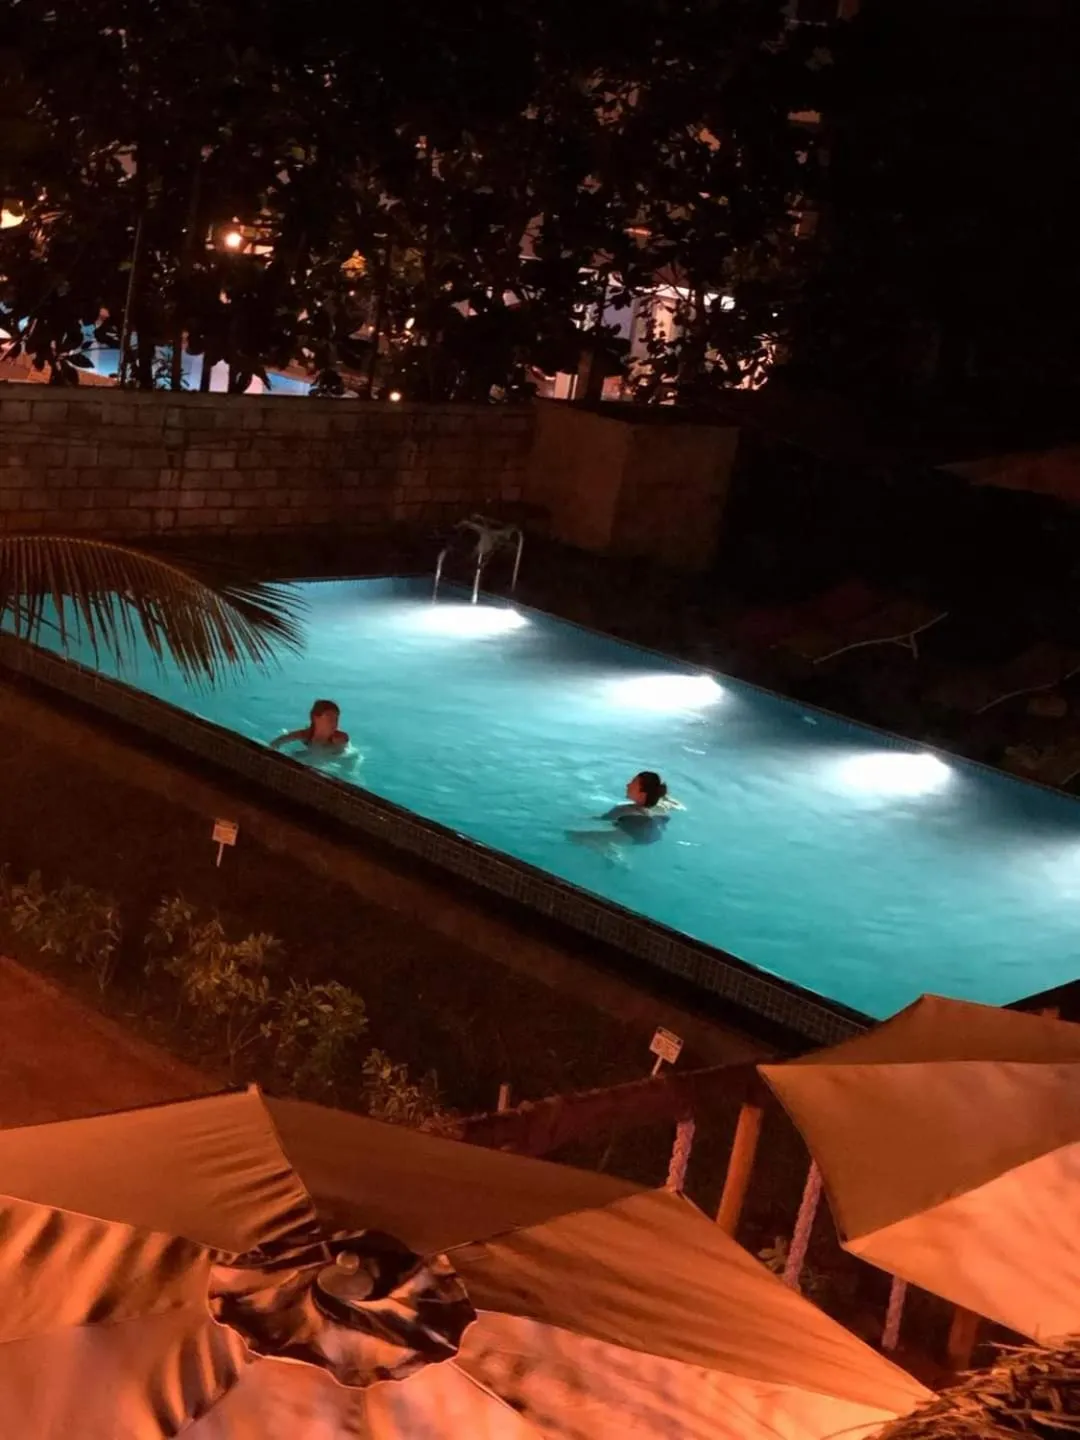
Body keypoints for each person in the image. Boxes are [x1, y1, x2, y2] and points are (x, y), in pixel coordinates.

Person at [569, 770, 681, 855]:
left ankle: (612, 852)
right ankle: (613, 848)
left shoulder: (623, 809)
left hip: (634, 833)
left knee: (573, 835)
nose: (627, 785)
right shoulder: (661, 806)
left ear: (642, 794)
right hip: (654, 835)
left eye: (633, 783)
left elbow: (602, 820)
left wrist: (581, 818)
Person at [270, 699, 350, 754]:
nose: (334, 722)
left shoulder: (340, 738)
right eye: (329, 717)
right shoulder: (304, 735)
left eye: (336, 718)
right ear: (315, 718)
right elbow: (277, 742)